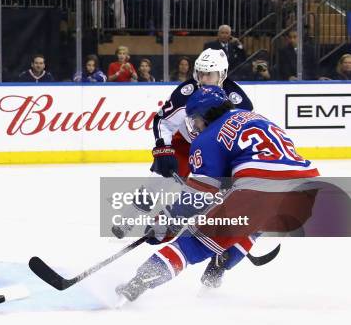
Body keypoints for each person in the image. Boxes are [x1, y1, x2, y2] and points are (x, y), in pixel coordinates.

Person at [116, 86, 319, 303]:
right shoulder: (254, 116)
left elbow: (198, 195)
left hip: (260, 189)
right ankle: (219, 267)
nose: (194, 125)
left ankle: (136, 284)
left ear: (205, 113)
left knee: (192, 243)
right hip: (306, 190)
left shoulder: (207, 138)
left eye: (195, 119)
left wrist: (165, 224)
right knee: (256, 223)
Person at [152, 49, 253, 179]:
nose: (204, 79)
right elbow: (163, 121)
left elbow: (244, 134)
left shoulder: (238, 100)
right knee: (158, 183)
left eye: (209, 74)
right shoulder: (186, 93)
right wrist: (163, 150)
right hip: (186, 143)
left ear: (222, 74)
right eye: (201, 73)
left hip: (219, 151)